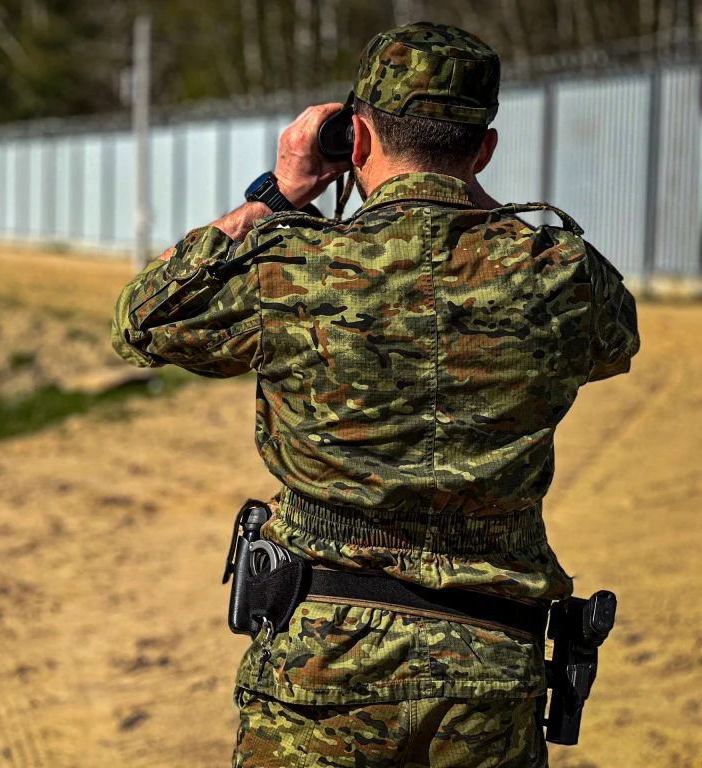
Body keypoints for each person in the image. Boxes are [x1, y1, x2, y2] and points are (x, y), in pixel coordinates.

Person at [111, 21, 639, 768]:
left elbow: (143, 320)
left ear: (354, 141)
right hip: (488, 679)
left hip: (318, 673)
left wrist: (279, 193)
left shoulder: (291, 265)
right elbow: (617, 339)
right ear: (484, 149)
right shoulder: (558, 273)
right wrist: (469, 198)